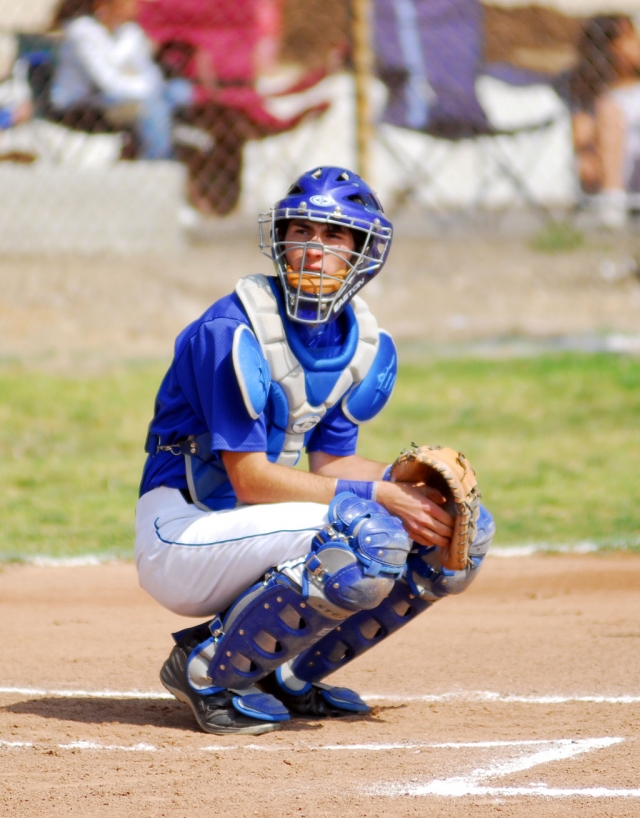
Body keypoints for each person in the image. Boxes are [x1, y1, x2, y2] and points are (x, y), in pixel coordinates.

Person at [135, 166, 495, 735]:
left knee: (454, 528)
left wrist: (413, 488)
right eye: (300, 232)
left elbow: (331, 465)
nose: (312, 249)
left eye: (333, 236)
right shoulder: (233, 330)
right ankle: (205, 668)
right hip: (183, 530)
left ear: (362, 251)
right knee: (364, 532)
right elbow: (251, 479)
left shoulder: (361, 345)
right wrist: (380, 495)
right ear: (280, 240)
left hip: (250, 527)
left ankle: (287, 674)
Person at [50, 0, 196, 159]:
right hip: (81, 103)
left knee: (180, 90)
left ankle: (168, 138)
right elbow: (108, 83)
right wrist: (144, 87)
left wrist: (141, 85)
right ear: (104, 6)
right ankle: (159, 163)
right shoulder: (81, 32)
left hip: (126, 95)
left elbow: (151, 74)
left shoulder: (130, 32)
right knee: (151, 107)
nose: (136, 6)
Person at [570, 16, 640, 228]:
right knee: (608, 110)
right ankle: (614, 199)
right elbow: (581, 137)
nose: (637, 43)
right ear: (610, 47)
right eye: (629, 38)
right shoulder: (595, 92)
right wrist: (588, 153)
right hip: (616, 164)